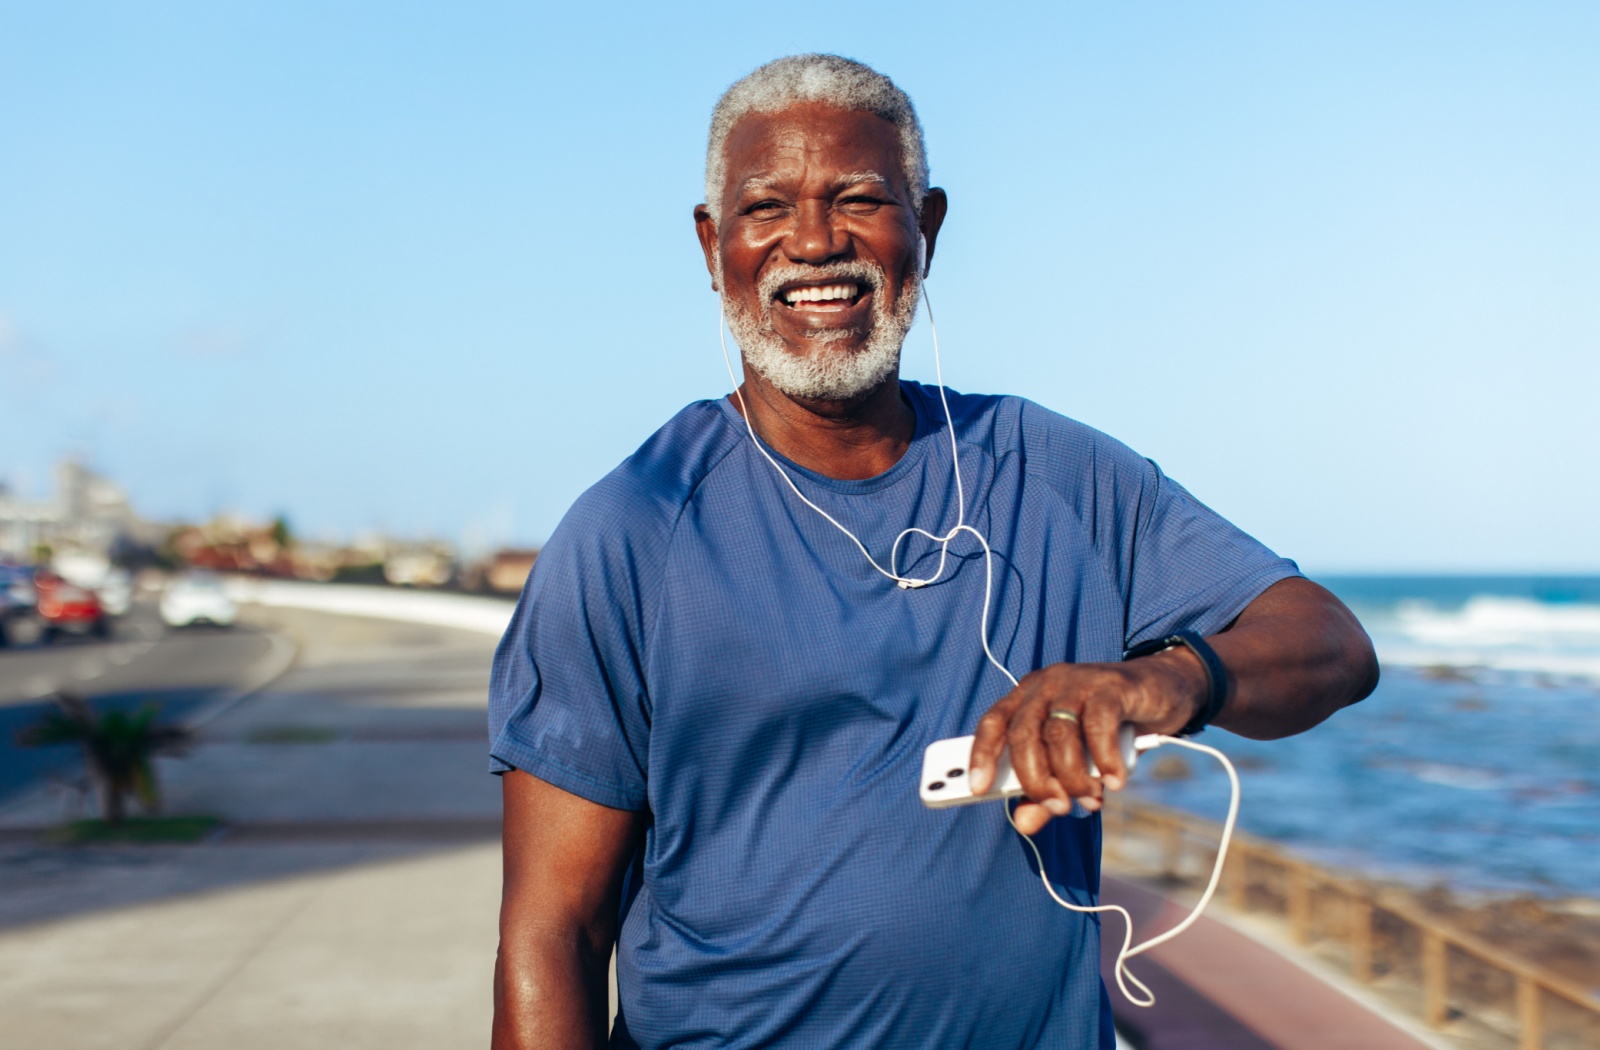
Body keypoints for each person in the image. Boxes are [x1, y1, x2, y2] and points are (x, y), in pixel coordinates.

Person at [489, 54, 1378, 1050]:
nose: (815, 243)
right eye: (766, 209)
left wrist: (1164, 680)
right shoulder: (630, 531)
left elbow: (1332, 644)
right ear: (711, 244)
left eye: (860, 199)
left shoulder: (1054, 473)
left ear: (928, 227)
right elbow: (553, 932)